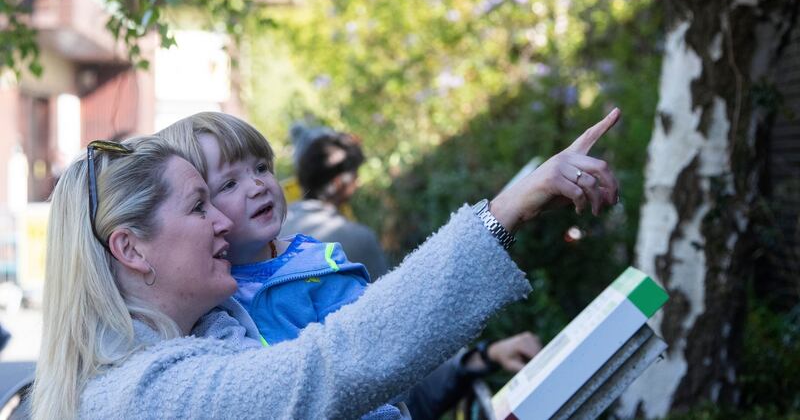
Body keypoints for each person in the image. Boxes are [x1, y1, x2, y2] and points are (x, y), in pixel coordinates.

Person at [31, 109, 621, 419]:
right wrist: (505, 211)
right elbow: (328, 367)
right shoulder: (145, 396)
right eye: (201, 203)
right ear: (131, 249)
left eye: (257, 171)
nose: (221, 221)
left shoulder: (212, 336)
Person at [159, 113, 542, 419]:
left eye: (261, 167)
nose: (257, 185)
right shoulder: (205, 301)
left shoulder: (320, 263)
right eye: (228, 184)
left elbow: (387, 346)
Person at [283, 125, 390, 279]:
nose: (358, 182)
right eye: (355, 175)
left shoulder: (277, 225)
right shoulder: (359, 238)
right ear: (339, 182)